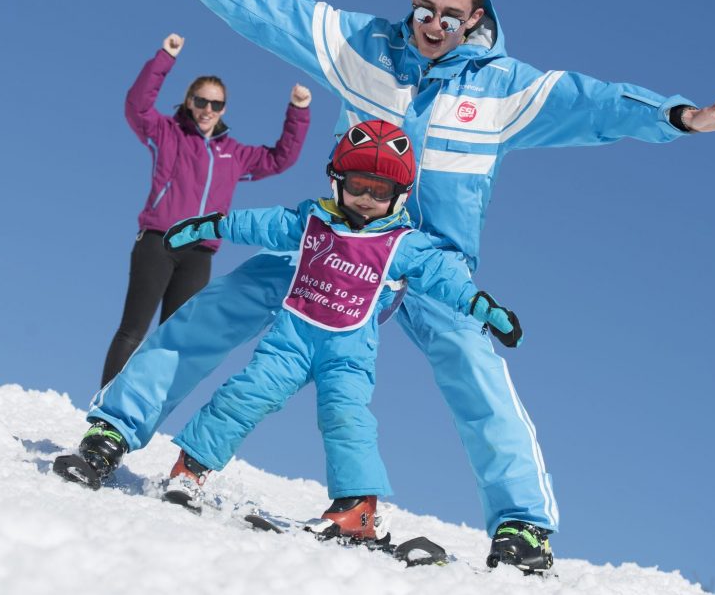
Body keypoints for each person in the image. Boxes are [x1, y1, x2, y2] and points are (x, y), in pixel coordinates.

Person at [76, 0, 715, 572]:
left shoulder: (503, 90)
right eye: (425, 9)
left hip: (429, 260)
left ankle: (522, 525)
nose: (434, 25)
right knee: (223, 307)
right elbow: (269, 7)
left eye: (451, 16)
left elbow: (595, 103)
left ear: (476, 18)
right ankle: (115, 427)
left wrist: (676, 117)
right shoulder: (361, 48)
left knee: (475, 369)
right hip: (343, 240)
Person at [158, 120, 522, 550]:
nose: (367, 199)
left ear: (399, 196)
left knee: (346, 418)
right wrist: (211, 226)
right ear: (337, 182)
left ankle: (357, 510)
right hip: (290, 340)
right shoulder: (313, 220)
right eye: (358, 186)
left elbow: (444, 276)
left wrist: (483, 307)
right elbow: (263, 224)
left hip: (349, 352)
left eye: (380, 191)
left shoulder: (401, 242)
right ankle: (190, 469)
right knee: (246, 394)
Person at [99, 33, 311, 385]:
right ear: (189, 101)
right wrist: (165, 57)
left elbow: (280, 159)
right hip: (159, 241)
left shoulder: (233, 154)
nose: (208, 110)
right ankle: (104, 404)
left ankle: (137, 416)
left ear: (224, 108)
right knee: (133, 329)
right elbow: (137, 107)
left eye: (216, 104)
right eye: (201, 101)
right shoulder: (168, 133)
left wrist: (298, 111)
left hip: (199, 253)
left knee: (174, 340)